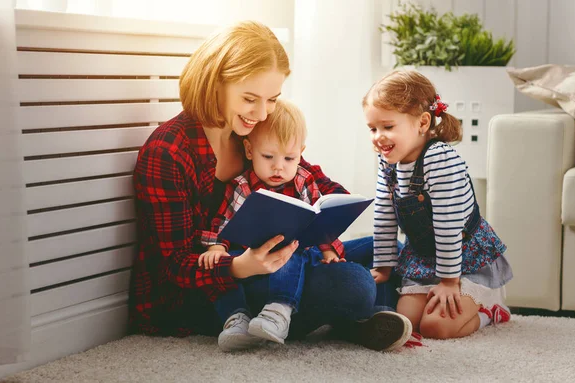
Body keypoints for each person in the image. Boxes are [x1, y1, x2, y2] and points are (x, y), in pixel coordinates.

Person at [129, 20, 412, 352]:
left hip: (279, 258)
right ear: (215, 84)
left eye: (272, 100)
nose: (262, 113)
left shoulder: (253, 133)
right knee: (355, 284)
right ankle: (357, 317)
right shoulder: (168, 153)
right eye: (250, 98)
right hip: (214, 292)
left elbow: (317, 182)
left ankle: (351, 319)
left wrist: (332, 212)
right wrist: (239, 266)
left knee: (390, 248)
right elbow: (172, 265)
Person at [362, 70, 513, 340]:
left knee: (437, 327)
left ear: (422, 123)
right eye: (372, 129)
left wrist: (448, 282)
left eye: (387, 127)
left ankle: (490, 309)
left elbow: (448, 225)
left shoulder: (441, 160)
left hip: (464, 259)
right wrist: (384, 266)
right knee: (407, 322)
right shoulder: (388, 162)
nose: (378, 137)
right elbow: (384, 215)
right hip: (422, 258)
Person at [199, 99, 350, 350]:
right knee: (217, 267)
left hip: (293, 255)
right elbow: (222, 220)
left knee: (293, 252)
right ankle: (236, 319)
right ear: (249, 151)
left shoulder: (303, 180)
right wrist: (217, 247)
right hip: (246, 258)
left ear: (300, 153)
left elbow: (319, 217)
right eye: (268, 156)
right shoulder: (242, 185)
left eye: (290, 158)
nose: (278, 166)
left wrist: (328, 247)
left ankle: (279, 311)